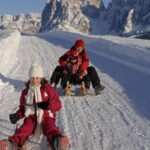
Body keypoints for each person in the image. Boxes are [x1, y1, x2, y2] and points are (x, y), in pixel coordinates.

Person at [0, 61, 69, 150]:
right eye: (32, 78)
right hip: (31, 117)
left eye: (37, 78)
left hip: (46, 116)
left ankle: (57, 140)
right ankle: (12, 143)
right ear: (29, 78)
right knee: (25, 129)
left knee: (50, 127)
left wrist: (49, 105)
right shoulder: (26, 92)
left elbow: (58, 105)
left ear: (41, 78)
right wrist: (18, 115)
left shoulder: (48, 89)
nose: (34, 80)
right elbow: (22, 108)